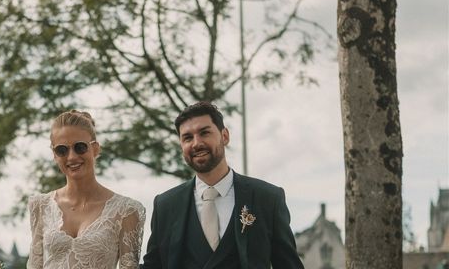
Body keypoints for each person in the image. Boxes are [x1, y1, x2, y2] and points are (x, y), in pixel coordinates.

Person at [141, 101, 304, 269]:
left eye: (204, 133)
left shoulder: (268, 198)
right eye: (188, 137)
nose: (196, 143)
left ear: (224, 136)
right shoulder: (165, 205)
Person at [27, 110, 146, 269]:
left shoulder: (127, 211)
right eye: (62, 150)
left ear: (95, 149)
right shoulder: (40, 206)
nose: (71, 157)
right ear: (54, 155)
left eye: (80, 147)